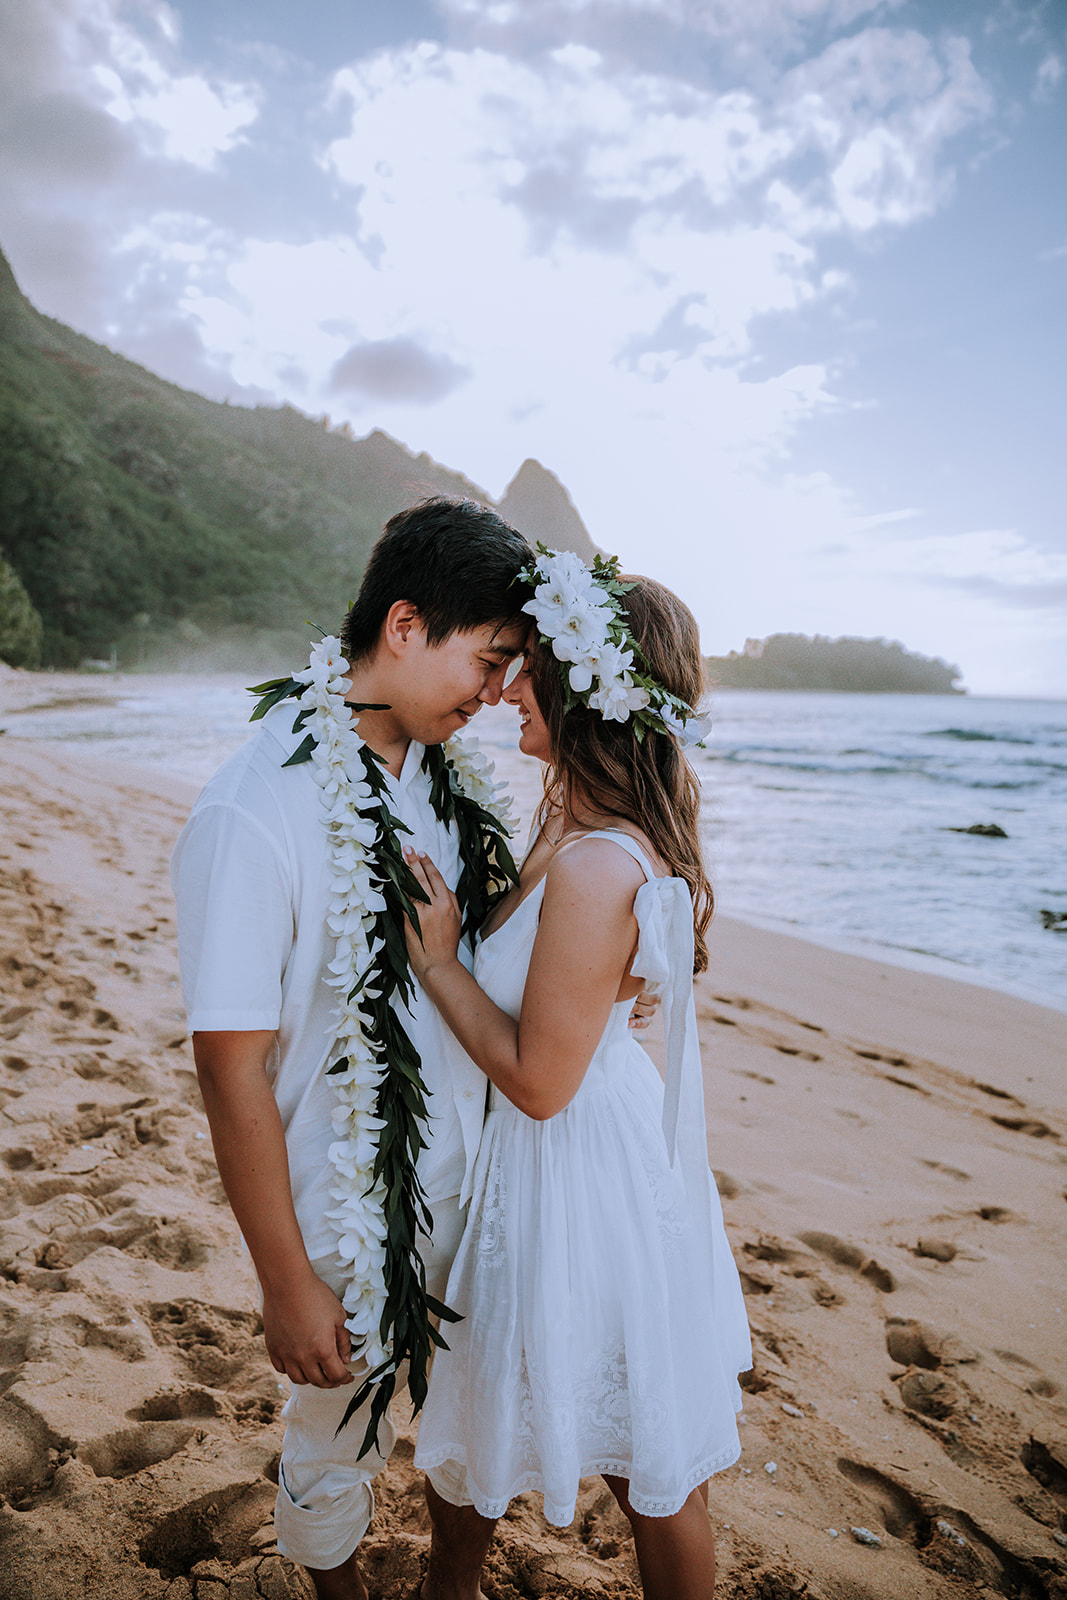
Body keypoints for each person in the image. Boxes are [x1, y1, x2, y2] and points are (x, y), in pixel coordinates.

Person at [171, 502, 657, 1600]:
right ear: (402, 623)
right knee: (333, 1436)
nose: (494, 694)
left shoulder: (444, 788)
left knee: (469, 1420)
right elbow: (228, 1064)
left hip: (480, 1190)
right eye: (485, 662)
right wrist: (284, 1280)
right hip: (344, 1210)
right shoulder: (256, 811)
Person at [403, 553, 752, 1599]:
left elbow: (539, 1080)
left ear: (584, 689)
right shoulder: (572, 827)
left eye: (526, 669)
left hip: (570, 1160)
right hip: (586, 1142)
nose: (505, 687)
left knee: (648, 1458)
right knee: (507, 1403)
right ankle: (445, 1588)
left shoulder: (599, 862)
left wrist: (434, 959)